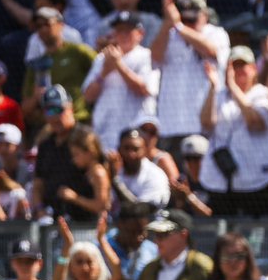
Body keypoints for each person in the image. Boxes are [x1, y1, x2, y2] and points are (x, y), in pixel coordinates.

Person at [198, 46, 268, 216]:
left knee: (257, 236)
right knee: (222, 234)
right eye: (234, 66)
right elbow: (206, 124)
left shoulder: (263, 94)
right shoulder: (219, 95)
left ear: (254, 69)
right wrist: (213, 87)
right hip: (220, 178)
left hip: (255, 179)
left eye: (244, 65)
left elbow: (255, 122)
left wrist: (234, 88)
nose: (239, 70)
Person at [151, 0, 230, 152]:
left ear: (204, 14)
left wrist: (179, 25)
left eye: (192, 19)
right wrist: (168, 24)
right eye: (184, 19)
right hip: (170, 124)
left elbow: (211, 51)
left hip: (203, 125)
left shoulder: (216, 33)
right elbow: (154, 57)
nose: (189, 23)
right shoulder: (169, 34)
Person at [81, 10, 154, 153]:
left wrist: (119, 65)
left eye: (128, 30)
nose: (124, 35)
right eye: (120, 30)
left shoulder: (146, 56)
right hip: (104, 132)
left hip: (134, 133)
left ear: (140, 34)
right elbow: (88, 96)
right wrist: (104, 72)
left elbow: (144, 89)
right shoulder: (102, 58)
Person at [31, 86, 107, 221]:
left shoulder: (84, 138)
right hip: (52, 218)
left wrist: (75, 198)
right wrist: (39, 209)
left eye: (58, 109)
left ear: (70, 108)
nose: (55, 117)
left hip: (84, 220)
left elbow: (101, 178)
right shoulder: (45, 144)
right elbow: (38, 184)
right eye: (49, 111)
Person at [21, 6, 97, 126]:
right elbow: (25, 107)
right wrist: (36, 97)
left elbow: (101, 69)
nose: (43, 29)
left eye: (47, 24)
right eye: (38, 26)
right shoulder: (37, 64)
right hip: (49, 125)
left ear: (60, 25)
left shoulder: (78, 52)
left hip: (79, 119)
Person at [110, 127, 170, 209]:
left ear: (145, 150)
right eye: (126, 148)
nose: (131, 154)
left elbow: (140, 211)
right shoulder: (114, 170)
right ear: (119, 149)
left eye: (135, 149)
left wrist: (115, 181)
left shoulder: (155, 175)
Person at [64, 126, 113, 218]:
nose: (74, 160)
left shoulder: (98, 173)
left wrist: (75, 198)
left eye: (76, 154)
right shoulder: (85, 172)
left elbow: (101, 206)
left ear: (90, 152)